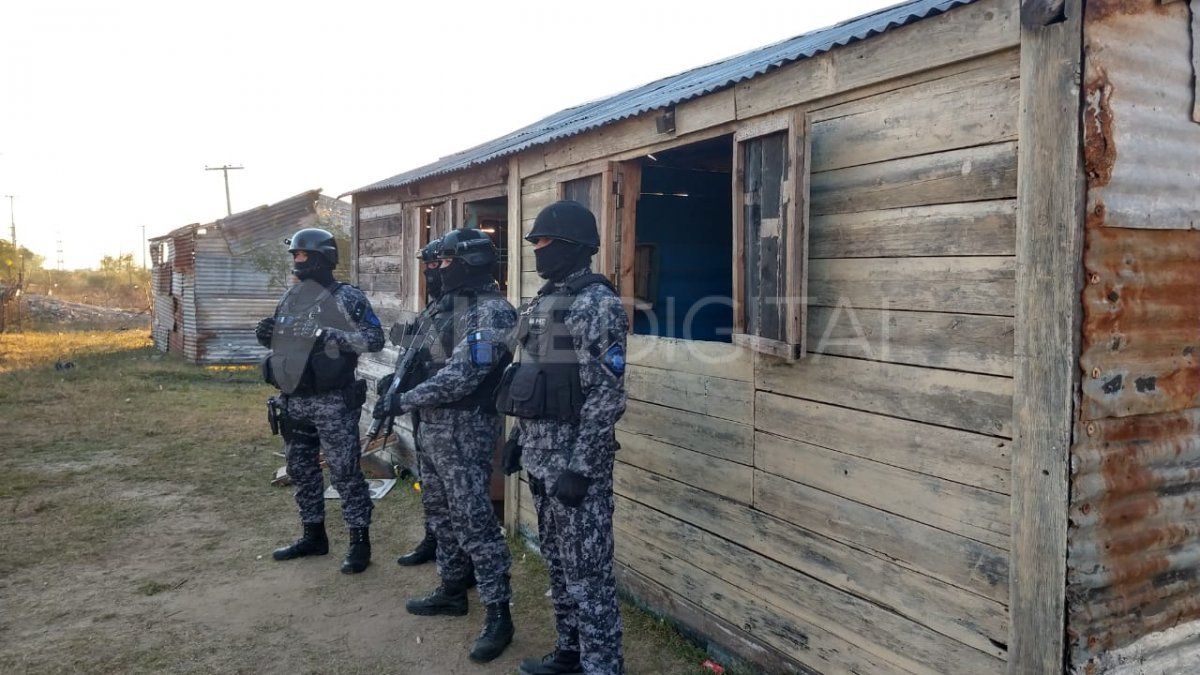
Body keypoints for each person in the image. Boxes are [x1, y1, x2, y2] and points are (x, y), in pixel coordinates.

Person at [373, 227, 517, 663]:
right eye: (434, 263)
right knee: (439, 509)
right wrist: (394, 383)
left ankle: (498, 613)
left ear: (469, 262)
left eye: (445, 261)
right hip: (431, 425)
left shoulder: (490, 311)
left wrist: (404, 398)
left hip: (463, 428)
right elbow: (417, 356)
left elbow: (464, 376)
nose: (437, 270)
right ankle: (453, 587)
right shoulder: (444, 306)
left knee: (474, 518)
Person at [497, 200, 628, 675]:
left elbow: (605, 396)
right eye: (534, 242)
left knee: (589, 575)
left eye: (545, 241)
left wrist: (581, 467)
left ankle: (602, 666)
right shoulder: (545, 300)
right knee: (557, 563)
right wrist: (518, 437)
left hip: (575, 469)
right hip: (540, 458)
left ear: (575, 245)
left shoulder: (598, 305)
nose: (537, 249)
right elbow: (529, 375)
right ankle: (571, 654)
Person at [256, 227, 384, 574]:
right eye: (294, 256)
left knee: (344, 472)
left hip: (333, 402)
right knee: (301, 470)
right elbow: (286, 341)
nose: (296, 262)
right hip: (295, 399)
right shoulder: (292, 297)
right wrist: (269, 335)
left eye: (302, 256)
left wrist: (324, 334)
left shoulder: (348, 297)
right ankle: (313, 535)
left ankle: (359, 542)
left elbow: (373, 339)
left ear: (322, 258)